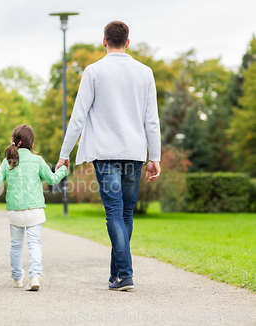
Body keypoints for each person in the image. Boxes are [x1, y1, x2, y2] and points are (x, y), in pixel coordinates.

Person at [56, 21, 161, 291]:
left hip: (105, 154)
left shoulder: (93, 72)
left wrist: (64, 154)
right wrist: (155, 157)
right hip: (135, 154)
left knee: (115, 211)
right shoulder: (145, 72)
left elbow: (78, 117)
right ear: (128, 42)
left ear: (104, 41)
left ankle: (124, 274)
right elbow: (152, 121)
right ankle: (117, 273)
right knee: (125, 213)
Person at [0, 125, 67, 291]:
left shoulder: (8, 162)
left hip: (15, 212)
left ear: (14, 141)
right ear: (32, 143)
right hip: (35, 210)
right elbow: (53, 179)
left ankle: (18, 277)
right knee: (35, 244)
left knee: (16, 246)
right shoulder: (38, 161)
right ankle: (34, 277)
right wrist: (63, 170)